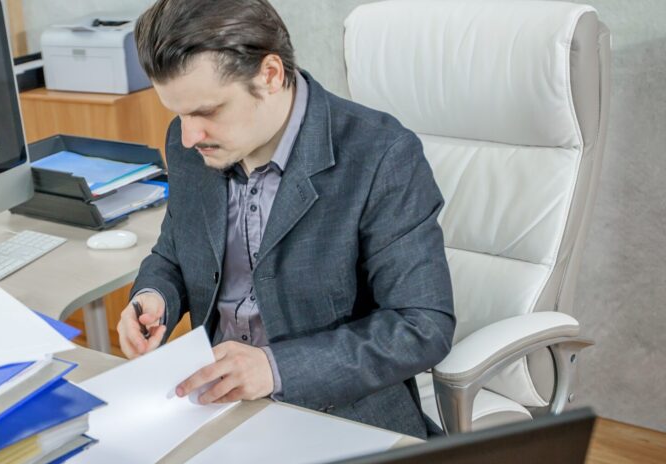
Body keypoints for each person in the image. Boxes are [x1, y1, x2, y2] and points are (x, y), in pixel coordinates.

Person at [117, 0, 455, 438]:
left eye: (207, 111)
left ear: (270, 75)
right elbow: (174, 251)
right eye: (177, 113)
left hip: (340, 417)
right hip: (215, 407)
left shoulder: (380, 154)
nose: (188, 136)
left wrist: (274, 368)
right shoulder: (191, 146)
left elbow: (422, 326)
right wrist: (154, 295)